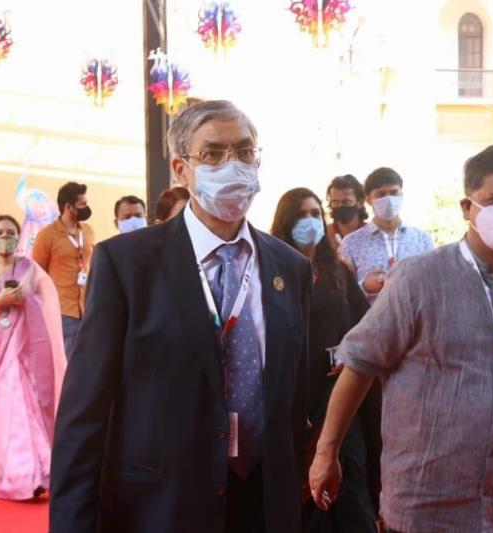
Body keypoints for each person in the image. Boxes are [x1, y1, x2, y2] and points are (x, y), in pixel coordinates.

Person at [50, 100, 313, 533]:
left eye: (244, 151)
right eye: (213, 154)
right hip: (163, 504)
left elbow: (293, 397)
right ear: (180, 169)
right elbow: (85, 409)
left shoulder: (290, 268)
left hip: (263, 502)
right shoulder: (127, 264)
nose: (232, 165)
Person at [309, 144, 493, 532]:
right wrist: (326, 453)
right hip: (423, 508)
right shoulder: (418, 279)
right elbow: (359, 364)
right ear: (466, 207)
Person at [271, 188, 377, 533]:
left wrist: (350, 352)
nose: (310, 221)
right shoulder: (270, 271)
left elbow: (366, 325)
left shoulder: (338, 271)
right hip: (294, 394)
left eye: (316, 213)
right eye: (301, 214)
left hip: (338, 389)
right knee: (302, 488)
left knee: (351, 480)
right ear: (286, 221)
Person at [0, 214, 66, 500]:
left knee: (23, 406)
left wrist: (26, 300)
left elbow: (47, 301)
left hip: (23, 348)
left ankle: (35, 473)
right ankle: (7, 473)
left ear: (18, 236)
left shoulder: (30, 268)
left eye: (10, 232)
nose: (5, 237)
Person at [338, 167, 434, 303]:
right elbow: (341, 293)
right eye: (380, 194)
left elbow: (434, 284)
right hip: (371, 315)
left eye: (394, 193)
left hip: (416, 315)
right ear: (368, 199)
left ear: (402, 195)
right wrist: (364, 287)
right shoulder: (351, 243)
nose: (389, 199)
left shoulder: (422, 239)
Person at [32, 182, 95, 359]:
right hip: (63, 310)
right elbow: (37, 274)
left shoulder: (88, 231)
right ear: (68, 207)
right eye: (82, 204)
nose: (86, 208)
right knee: (67, 361)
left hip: (88, 307)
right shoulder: (47, 235)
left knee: (88, 360)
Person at [326, 174, 368, 250]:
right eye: (335, 202)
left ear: (360, 203)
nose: (340, 206)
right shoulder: (323, 235)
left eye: (346, 201)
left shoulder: (372, 234)